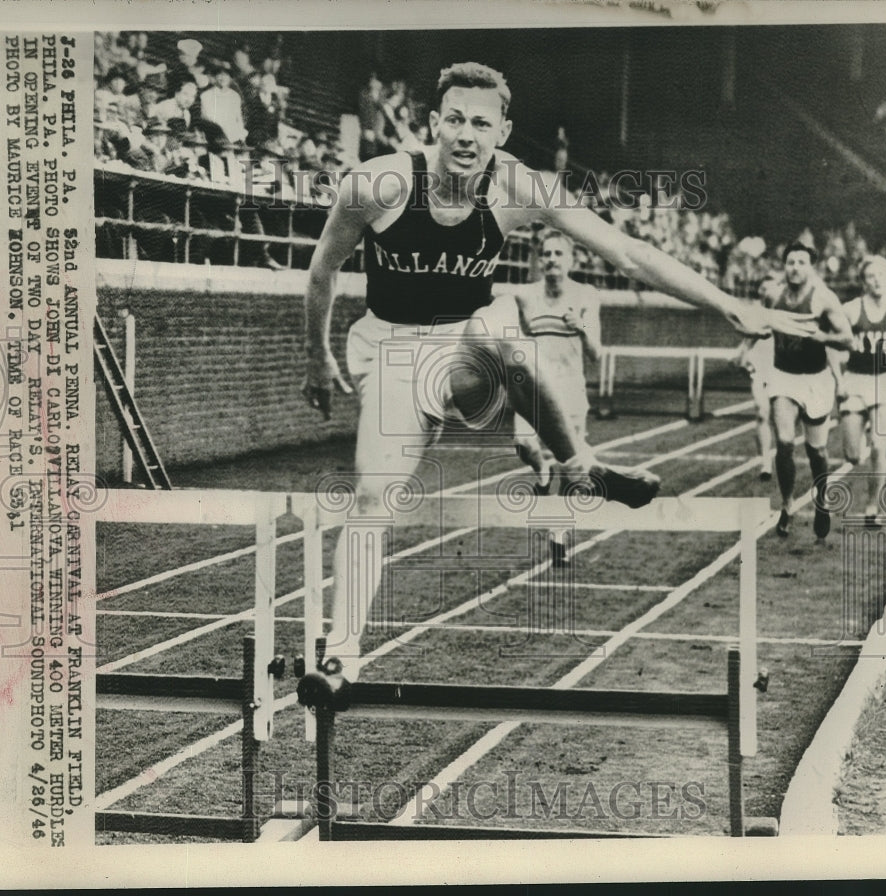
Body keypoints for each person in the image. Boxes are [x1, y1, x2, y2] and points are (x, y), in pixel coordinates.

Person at [296, 62, 817, 708]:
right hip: (391, 350)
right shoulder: (378, 184)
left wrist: (728, 305)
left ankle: (579, 466)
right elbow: (322, 271)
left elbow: (627, 252)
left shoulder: (519, 186)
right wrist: (317, 356)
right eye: (454, 119)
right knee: (374, 495)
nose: (466, 135)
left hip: (465, 349)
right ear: (432, 123)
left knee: (504, 337)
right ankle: (340, 659)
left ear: (502, 132)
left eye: (481, 123)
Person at [510, 229, 603, 568]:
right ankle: (541, 472)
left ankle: (559, 535)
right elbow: (519, 337)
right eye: (546, 254)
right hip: (535, 386)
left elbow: (596, 353)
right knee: (523, 442)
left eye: (558, 254)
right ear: (539, 260)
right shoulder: (524, 296)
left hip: (570, 389)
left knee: (572, 469)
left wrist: (581, 326)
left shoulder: (586, 295)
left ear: (571, 260)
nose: (551, 260)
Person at [765, 242, 854, 540]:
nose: (795, 268)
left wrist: (821, 336)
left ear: (811, 267)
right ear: (784, 266)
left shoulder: (824, 299)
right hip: (783, 376)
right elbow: (762, 323)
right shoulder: (773, 294)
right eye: (790, 262)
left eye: (801, 262)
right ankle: (787, 506)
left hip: (816, 380)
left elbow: (847, 339)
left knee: (816, 451)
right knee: (784, 442)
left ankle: (822, 500)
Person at [834, 255, 886, 524]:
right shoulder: (850, 310)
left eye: (881, 275)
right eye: (871, 276)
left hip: (883, 381)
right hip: (855, 381)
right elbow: (831, 345)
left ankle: (872, 506)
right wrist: (838, 379)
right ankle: (857, 439)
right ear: (864, 282)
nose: (877, 280)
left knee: (879, 446)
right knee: (853, 456)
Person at [733, 274, 779, 481]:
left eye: (772, 288)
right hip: (760, 370)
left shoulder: (786, 313)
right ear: (760, 292)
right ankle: (766, 462)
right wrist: (741, 355)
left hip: (782, 372)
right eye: (764, 288)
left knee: (781, 421)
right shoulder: (755, 314)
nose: (768, 292)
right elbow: (748, 340)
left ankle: (781, 454)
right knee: (762, 413)